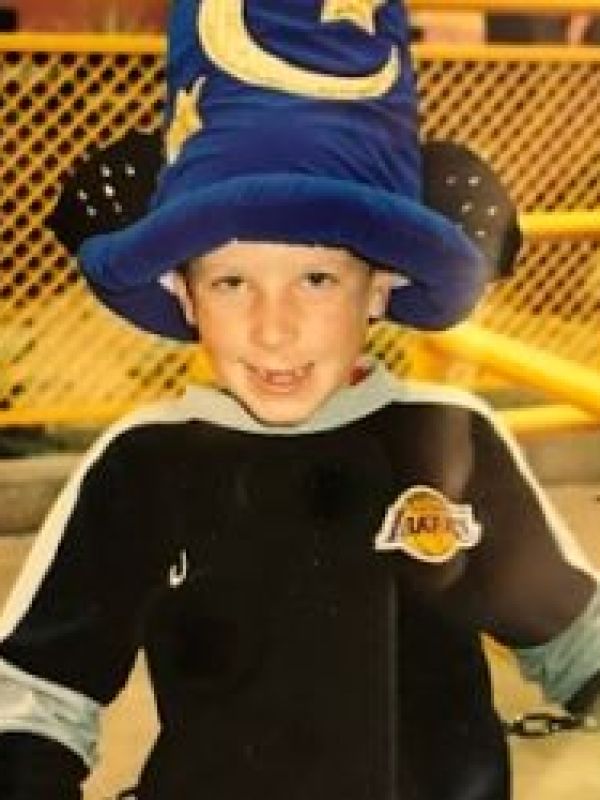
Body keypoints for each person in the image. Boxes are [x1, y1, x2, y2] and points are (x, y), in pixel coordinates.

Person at [1, 1, 600, 798]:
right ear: (182, 291)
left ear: (381, 283)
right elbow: (37, 697)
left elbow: (576, 640)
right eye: (231, 281)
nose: (273, 327)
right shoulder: (142, 468)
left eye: (316, 278)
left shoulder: (451, 442)